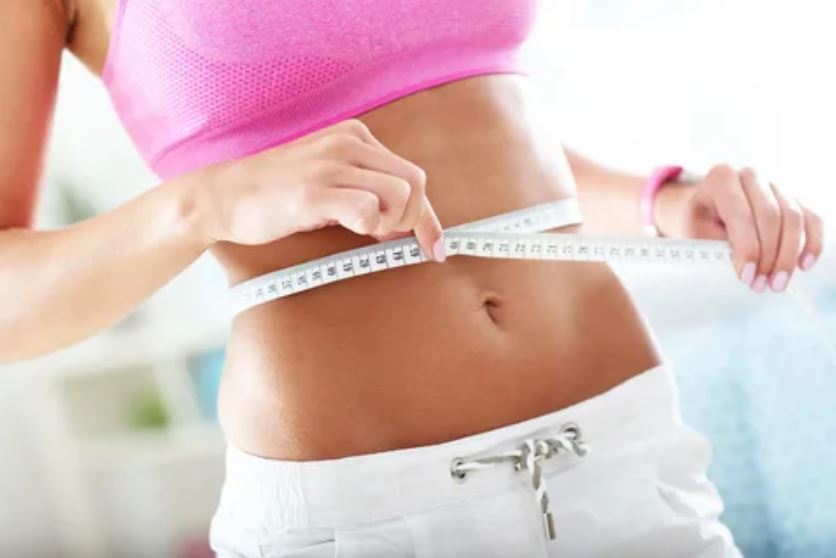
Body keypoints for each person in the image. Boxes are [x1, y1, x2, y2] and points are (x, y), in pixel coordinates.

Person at [0, 0, 824, 556]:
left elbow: (470, 127)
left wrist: (660, 201)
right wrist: (202, 204)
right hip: (363, 509)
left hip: (623, 451)